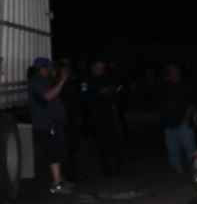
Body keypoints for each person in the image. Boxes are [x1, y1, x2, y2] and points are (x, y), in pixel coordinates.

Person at [27, 57, 73, 194]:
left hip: (50, 124)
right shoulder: (36, 82)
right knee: (54, 153)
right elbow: (48, 96)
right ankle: (56, 183)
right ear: (43, 68)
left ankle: (59, 180)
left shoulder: (44, 81)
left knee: (58, 151)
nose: (52, 69)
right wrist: (63, 80)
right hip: (44, 125)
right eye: (49, 67)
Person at [82, 58, 125, 176]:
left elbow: (114, 89)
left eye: (102, 68)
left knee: (116, 141)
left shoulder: (106, 78)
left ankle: (121, 167)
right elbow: (85, 97)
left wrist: (110, 90)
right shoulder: (86, 80)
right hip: (96, 116)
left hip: (109, 114)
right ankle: (107, 168)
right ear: (92, 67)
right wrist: (98, 92)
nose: (100, 71)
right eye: (98, 68)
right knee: (102, 143)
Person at [156, 62, 197, 175]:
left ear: (179, 72)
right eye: (169, 71)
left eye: (173, 71)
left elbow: (191, 103)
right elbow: (161, 103)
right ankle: (176, 169)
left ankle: (195, 168)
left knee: (189, 147)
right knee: (172, 148)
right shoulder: (165, 87)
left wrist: (186, 118)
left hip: (183, 122)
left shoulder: (186, 85)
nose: (171, 73)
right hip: (169, 122)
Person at [57, 58, 84, 182]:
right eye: (64, 68)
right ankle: (69, 174)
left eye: (68, 68)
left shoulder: (73, 82)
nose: (66, 71)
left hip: (73, 118)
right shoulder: (57, 83)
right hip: (64, 120)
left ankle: (75, 172)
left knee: (74, 147)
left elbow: (77, 100)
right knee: (66, 148)